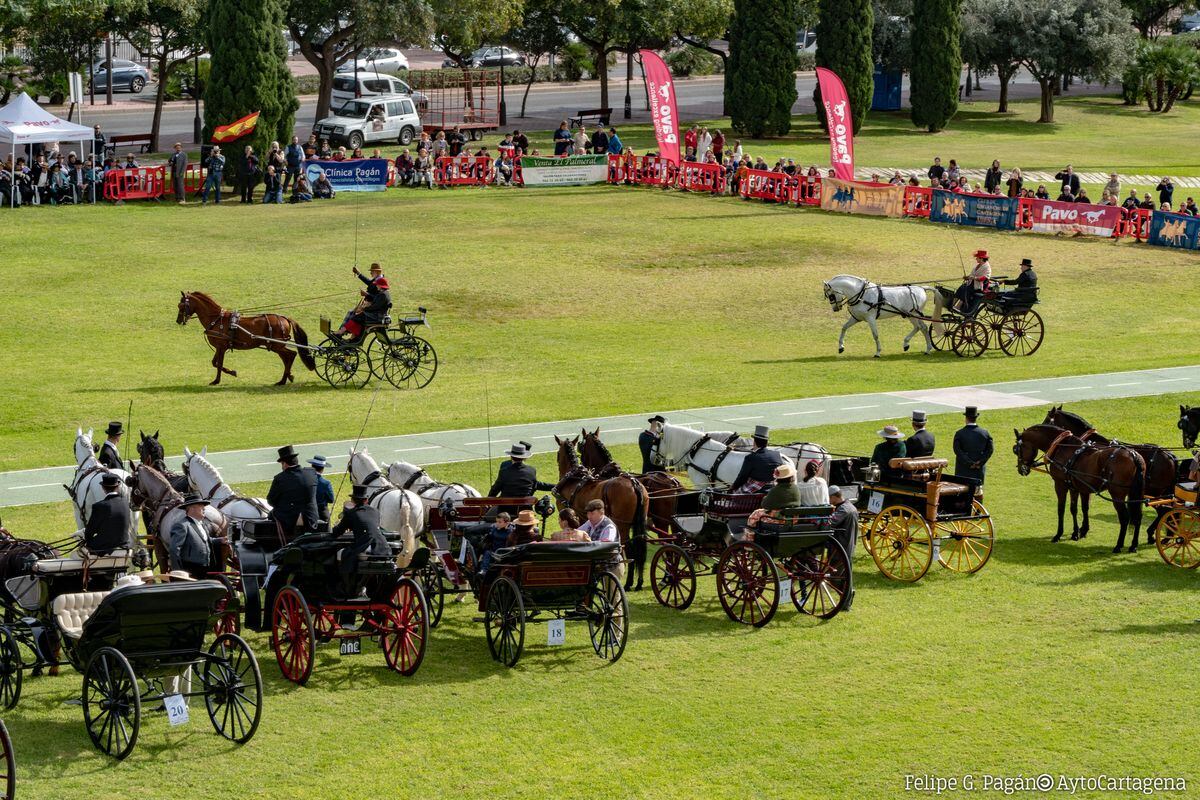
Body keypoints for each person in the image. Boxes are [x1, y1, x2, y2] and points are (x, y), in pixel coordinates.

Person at [332, 484, 390, 594]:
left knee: (340, 554)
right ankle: (362, 584)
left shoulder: (351, 513)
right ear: (366, 500)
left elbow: (337, 532)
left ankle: (347, 586)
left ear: (353, 500)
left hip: (365, 546)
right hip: (381, 547)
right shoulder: (375, 512)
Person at [267, 445, 319, 537]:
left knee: (271, 515)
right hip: (311, 517)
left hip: (288, 519)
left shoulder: (280, 478)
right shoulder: (312, 473)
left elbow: (271, 501)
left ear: (284, 464)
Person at [334, 263, 390, 340]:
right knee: (354, 314)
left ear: (377, 272)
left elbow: (376, 303)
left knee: (356, 316)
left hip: (375, 313)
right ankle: (348, 335)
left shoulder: (382, 290)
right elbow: (370, 284)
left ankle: (342, 332)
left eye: (372, 271)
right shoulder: (378, 283)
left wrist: (365, 304)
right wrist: (358, 273)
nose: (370, 273)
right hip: (371, 308)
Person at [82, 473, 134, 555]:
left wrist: (86, 541)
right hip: (124, 544)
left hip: (105, 548)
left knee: (82, 550)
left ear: (103, 488)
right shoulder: (125, 502)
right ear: (117, 487)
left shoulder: (99, 506)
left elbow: (90, 532)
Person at [167, 492, 215, 579]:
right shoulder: (182, 525)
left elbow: (204, 540)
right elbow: (174, 549)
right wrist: (178, 571)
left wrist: (220, 540)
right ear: (192, 508)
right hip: (190, 570)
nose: (204, 509)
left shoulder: (202, 524)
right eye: (201, 506)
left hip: (204, 568)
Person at [488, 442, 553, 502]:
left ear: (511, 456)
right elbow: (534, 486)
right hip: (525, 507)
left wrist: (488, 500)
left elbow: (495, 489)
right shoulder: (532, 470)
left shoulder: (504, 471)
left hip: (506, 507)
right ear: (524, 457)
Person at [747, 463, 803, 531]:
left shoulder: (776, 490)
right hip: (792, 519)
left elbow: (765, 505)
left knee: (756, 513)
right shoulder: (795, 488)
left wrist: (765, 498)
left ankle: (750, 535)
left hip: (779, 520)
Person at [730, 426, 785, 493]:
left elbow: (742, 477)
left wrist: (733, 487)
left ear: (754, 442)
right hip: (772, 489)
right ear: (767, 443)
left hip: (755, 492)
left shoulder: (750, 458)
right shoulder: (777, 455)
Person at [827, 485, 857, 609]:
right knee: (844, 576)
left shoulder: (843, 510)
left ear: (834, 497)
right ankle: (847, 596)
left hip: (840, 548)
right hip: (848, 546)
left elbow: (830, 523)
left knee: (835, 577)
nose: (829, 500)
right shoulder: (851, 506)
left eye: (829, 498)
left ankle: (847, 597)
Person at [952, 406, 994, 492]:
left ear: (966, 418)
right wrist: (980, 462)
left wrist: (969, 462)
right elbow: (990, 450)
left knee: (962, 498)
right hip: (978, 473)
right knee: (977, 496)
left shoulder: (959, 434)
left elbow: (957, 451)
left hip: (962, 472)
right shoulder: (985, 433)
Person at [954, 249, 991, 314]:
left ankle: (958, 306)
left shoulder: (987, 267)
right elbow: (972, 275)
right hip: (972, 283)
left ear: (981, 258)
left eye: (977, 257)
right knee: (962, 287)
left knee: (967, 289)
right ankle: (953, 303)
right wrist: (968, 277)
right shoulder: (978, 265)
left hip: (980, 286)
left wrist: (974, 278)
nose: (976, 259)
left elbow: (984, 278)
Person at [306, 455, 335, 523]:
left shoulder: (305, 481)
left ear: (312, 466)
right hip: (322, 514)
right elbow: (331, 500)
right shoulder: (326, 483)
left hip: (308, 513)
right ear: (322, 469)